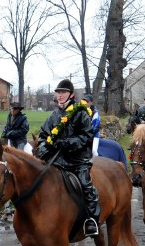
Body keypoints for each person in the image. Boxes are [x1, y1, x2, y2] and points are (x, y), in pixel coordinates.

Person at [36, 79, 100, 236]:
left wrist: (67, 143)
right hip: (57, 160)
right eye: (58, 93)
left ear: (71, 95)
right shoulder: (54, 115)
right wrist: (44, 148)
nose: (60, 95)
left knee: (85, 184)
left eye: (63, 92)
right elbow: (43, 135)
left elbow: (86, 136)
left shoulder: (81, 113)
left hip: (78, 159)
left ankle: (91, 219)